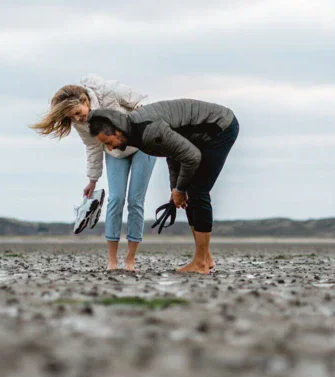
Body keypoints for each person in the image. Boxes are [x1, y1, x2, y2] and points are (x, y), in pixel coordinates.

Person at [87, 99, 239, 274]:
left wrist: (180, 189)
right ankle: (205, 258)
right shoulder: (136, 131)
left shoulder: (148, 131)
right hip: (201, 133)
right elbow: (173, 153)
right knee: (188, 192)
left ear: (118, 131)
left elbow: (192, 157)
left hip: (220, 127)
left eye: (108, 142)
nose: (110, 148)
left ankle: (200, 263)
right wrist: (175, 188)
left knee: (198, 191)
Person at [30, 75, 156, 271]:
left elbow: (142, 100)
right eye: (72, 117)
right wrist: (93, 180)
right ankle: (112, 262)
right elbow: (92, 147)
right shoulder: (80, 122)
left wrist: (142, 111)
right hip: (115, 152)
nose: (78, 119)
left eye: (78, 113)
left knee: (135, 201)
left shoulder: (109, 90)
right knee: (115, 199)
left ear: (84, 100)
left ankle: (130, 260)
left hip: (144, 146)